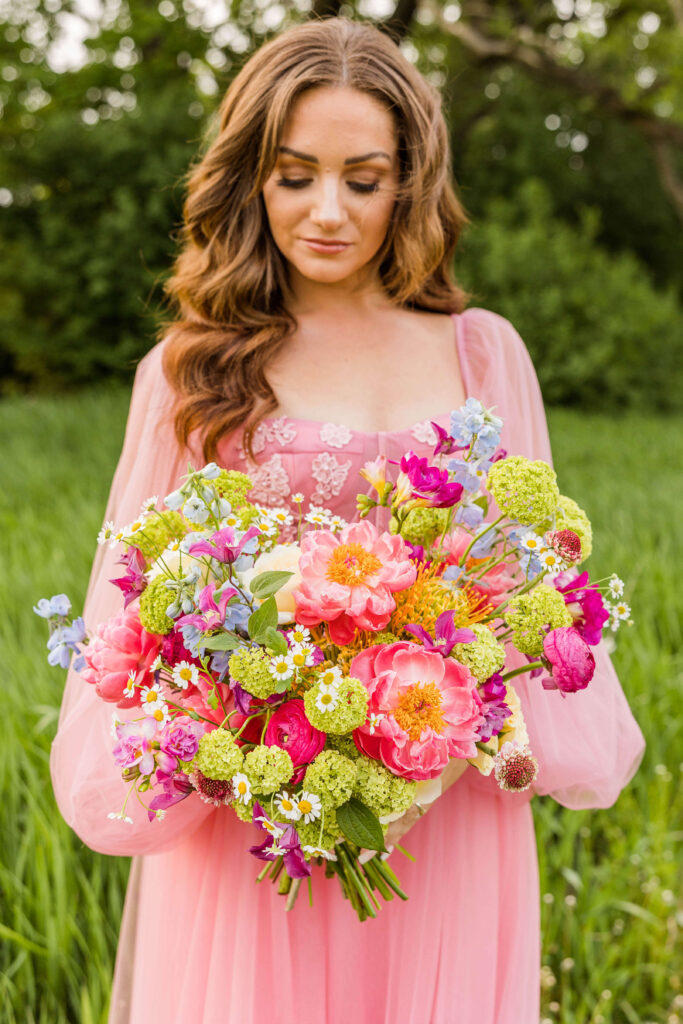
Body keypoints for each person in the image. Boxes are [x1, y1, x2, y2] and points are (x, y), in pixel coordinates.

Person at [50, 17, 646, 1024]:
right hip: (253, 828)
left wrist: (461, 727)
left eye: (362, 179)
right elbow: (139, 614)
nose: (327, 210)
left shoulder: (481, 355)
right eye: (293, 175)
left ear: (407, 184)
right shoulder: (193, 369)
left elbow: (537, 593)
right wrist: (238, 739)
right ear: (250, 179)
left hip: (441, 820)